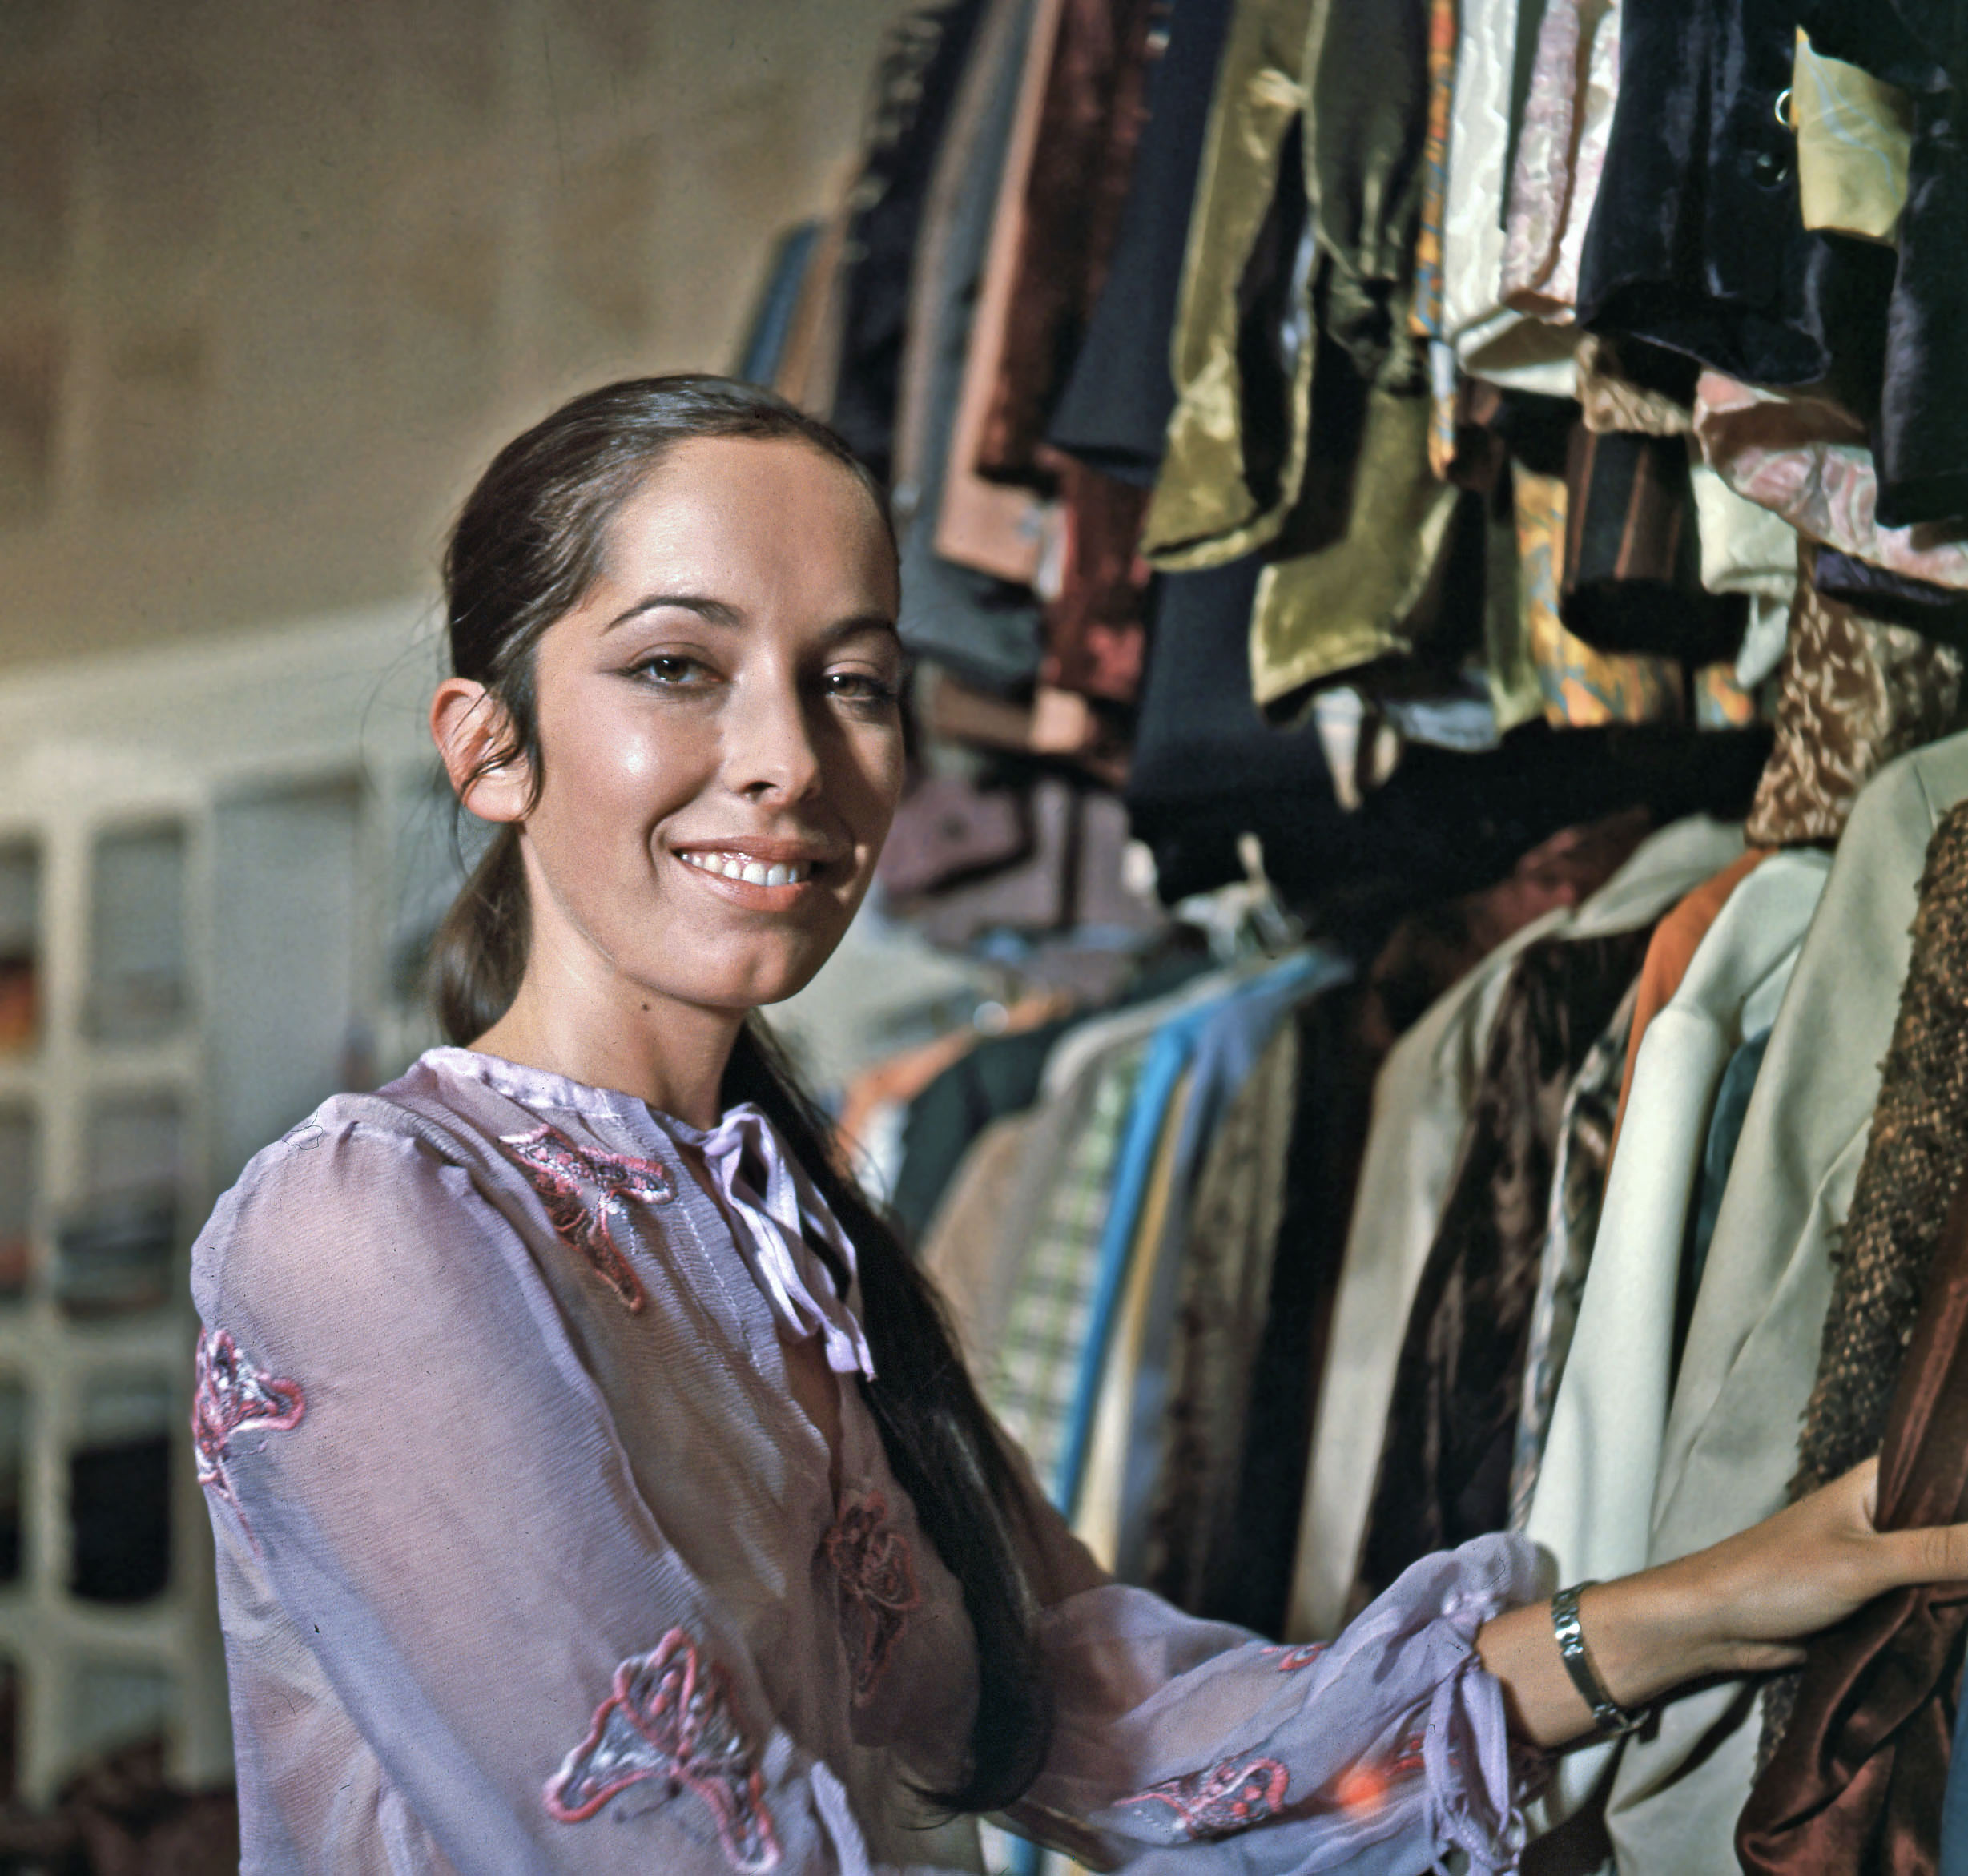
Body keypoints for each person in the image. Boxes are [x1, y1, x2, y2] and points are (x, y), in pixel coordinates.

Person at [190, 376, 1968, 1875]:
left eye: (854, 681)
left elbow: (1105, 1716)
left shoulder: (787, 1229)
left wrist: (1708, 1601)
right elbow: (652, 1827)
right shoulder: (368, 1225)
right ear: (488, 746)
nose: (789, 762)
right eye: (675, 668)